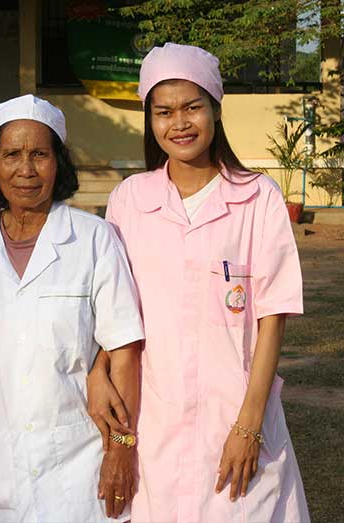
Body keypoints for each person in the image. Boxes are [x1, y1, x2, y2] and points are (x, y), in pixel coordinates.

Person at [88, 43, 310, 522]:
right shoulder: (131, 199)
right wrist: (97, 368)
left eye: (192, 107)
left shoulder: (257, 198)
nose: (179, 123)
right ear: (150, 120)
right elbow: (114, 308)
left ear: (215, 109)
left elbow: (272, 319)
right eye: (163, 112)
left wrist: (249, 426)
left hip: (235, 415)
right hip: (155, 419)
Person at [0, 94, 145, 523]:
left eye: (40, 154)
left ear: (59, 162)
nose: (26, 169)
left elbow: (125, 350)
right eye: (12, 154)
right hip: (0, 467)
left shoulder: (94, 238)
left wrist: (121, 452)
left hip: (82, 469)